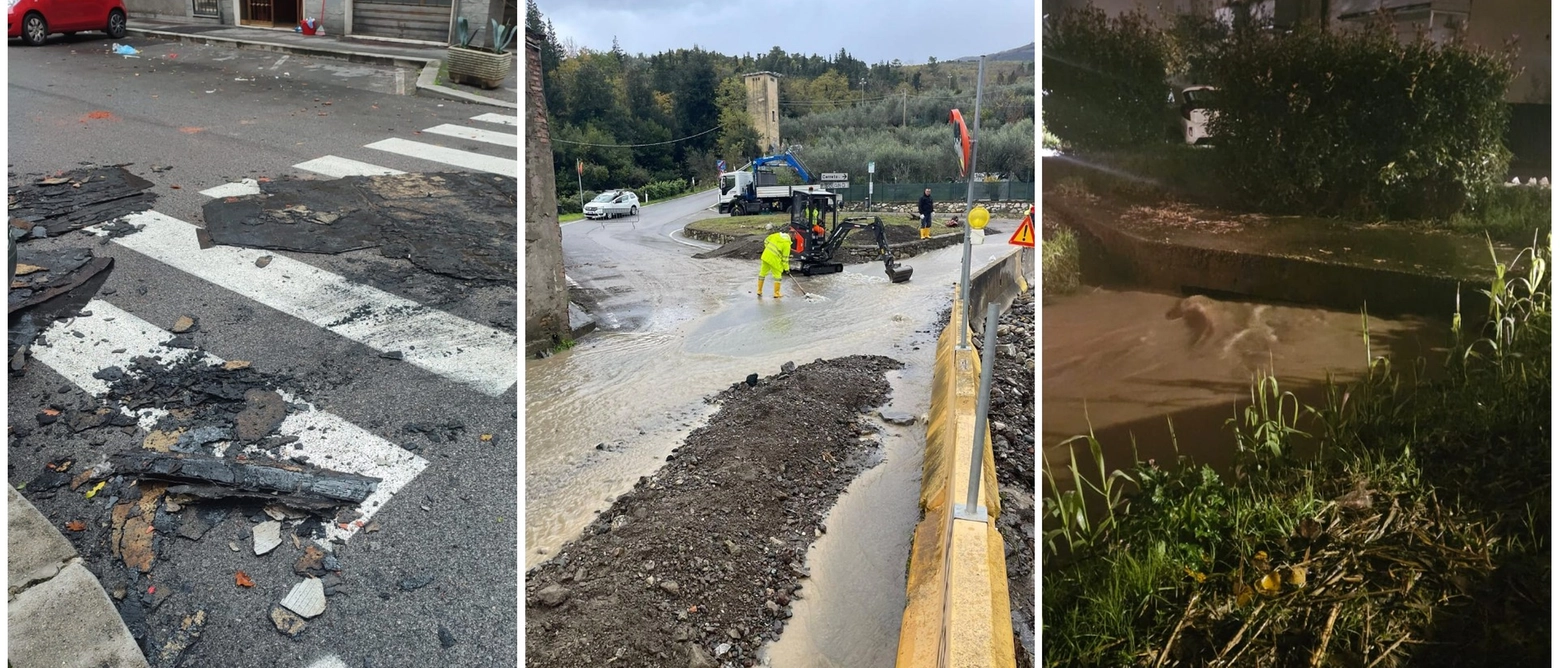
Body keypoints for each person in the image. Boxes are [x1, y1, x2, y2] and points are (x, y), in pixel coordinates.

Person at [759, 230, 790, 298]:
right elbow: (785, 259)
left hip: (766, 256)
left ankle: (759, 291)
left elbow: (766, 240)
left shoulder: (776, 235)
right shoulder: (787, 243)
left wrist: (768, 249)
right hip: (774, 259)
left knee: (762, 274)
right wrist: (787, 269)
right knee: (777, 276)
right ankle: (776, 293)